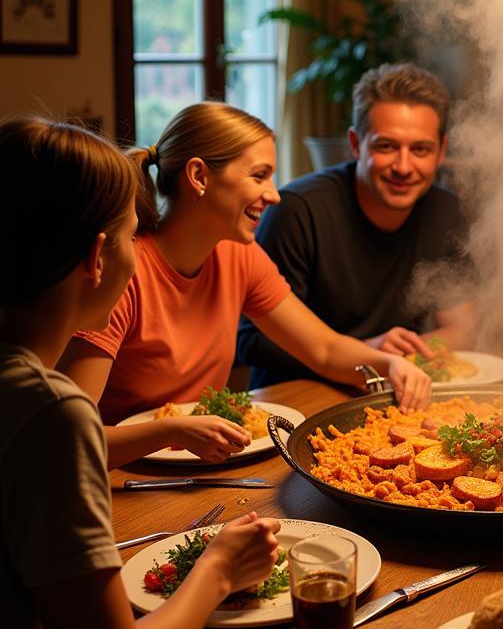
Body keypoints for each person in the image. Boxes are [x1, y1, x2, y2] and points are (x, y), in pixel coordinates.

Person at [0, 117, 281, 629]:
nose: (140, 252)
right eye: (131, 235)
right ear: (99, 258)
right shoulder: (50, 411)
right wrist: (217, 568)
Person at [58, 102, 431, 470]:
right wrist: (171, 432)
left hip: (209, 469)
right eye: (259, 176)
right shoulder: (126, 271)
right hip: (120, 483)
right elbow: (67, 438)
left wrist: (390, 364)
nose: (274, 194)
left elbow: (324, 348)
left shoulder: (239, 256)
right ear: (199, 177)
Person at [237, 63, 474, 389]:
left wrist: (408, 354)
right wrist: (368, 352)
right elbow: (251, 342)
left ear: (441, 151)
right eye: (386, 146)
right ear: (355, 143)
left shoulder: (445, 210)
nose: (404, 167)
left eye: (420, 149)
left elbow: (462, 328)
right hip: (300, 399)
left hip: (393, 391)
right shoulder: (298, 210)